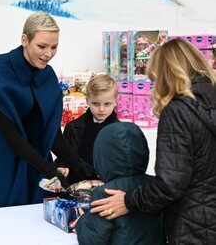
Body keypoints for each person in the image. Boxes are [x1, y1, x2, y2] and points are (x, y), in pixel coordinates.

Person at [90, 38, 216, 244]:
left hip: (193, 226)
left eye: (155, 79)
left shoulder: (179, 110)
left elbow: (170, 184)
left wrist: (128, 201)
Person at [0, 11, 95, 210]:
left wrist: (77, 163)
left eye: (54, 47)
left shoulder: (47, 75)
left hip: (29, 150)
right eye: (42, 46)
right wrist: (47, 168)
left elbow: (49, 130)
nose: (48, 54)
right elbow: (10, 135)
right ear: (25, 40)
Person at [74, 122, 164, 244]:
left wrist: (83, 221)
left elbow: (91, 241)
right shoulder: (155, 185)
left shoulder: (105, 193)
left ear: (101, 155)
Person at [54, 74, 119, 184]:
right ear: (87, 100)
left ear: (116, 100)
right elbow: (62, 158)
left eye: (107, 104)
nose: (101, 109)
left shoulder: (121, 132)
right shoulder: (72, 128)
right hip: (76, 187)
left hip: (109, 189)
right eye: (96, 104)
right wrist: (61, 168)